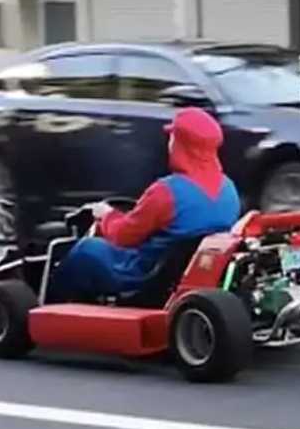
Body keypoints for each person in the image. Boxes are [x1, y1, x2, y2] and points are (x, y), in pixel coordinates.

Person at [49, 107, 241, 302]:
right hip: (193, 277)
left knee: (87, 249)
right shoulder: (229, 190)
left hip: (144, 277)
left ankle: (48, 311)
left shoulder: (166, 192)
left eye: (173, 138)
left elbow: (123, 236)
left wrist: (106, 215)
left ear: (181, 145)